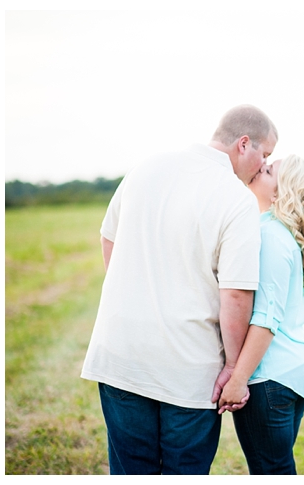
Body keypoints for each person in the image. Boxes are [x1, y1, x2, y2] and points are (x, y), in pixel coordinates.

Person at [80, 105, 278, 475]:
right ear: (244, 143)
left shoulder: (146, 168)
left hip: (120, 352)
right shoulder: (235, 199)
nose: (263, 165)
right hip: (189, 369)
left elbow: (109, 238)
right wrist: (235, 367)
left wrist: (131, 295)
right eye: (264, 155)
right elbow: (236, 295)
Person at [214, 154, 304, 475]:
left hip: (270, 378)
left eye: (267, 171)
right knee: (275, 469)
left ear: (281, 193)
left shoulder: (270, 238)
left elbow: (266, 320)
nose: (257, 169)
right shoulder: (279, 234)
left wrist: (238, 380)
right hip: (289, 374)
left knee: (272, 472)